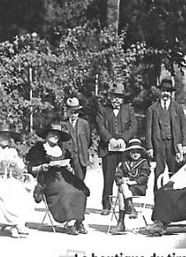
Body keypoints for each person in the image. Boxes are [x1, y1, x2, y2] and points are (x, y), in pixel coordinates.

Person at [25, 124, 90, 235]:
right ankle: (69, 223)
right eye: (52, 133)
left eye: (57, 135)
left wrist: (68, 167)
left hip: (65, 176)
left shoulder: (63, 150)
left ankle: (78, 221)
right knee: (66, 190)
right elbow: (30, 168)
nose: (55, 136)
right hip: (48, 178)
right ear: (46, 135)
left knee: (80, 190)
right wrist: (41, 167)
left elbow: (70, 166)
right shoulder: (38, 149)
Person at [94, 84, 140, 213]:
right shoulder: (103, 110)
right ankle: (106, 205)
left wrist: (123, 139)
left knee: (127, 177)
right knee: (108, 177)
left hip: (125, 150)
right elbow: (100, 127)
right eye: (114, 97)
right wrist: (110, 139)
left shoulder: (129, 110)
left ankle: (128, 204)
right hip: (108, 149)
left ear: (123, 99)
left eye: (119, 97)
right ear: (110, 97)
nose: (116, 100)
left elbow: (133, 127)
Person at [146, 78, 186, 197]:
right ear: (160, 92)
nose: (165, 94)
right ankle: (158, 198)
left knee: (174, 172)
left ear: (171, 93)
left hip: (173, 144)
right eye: (163, 91)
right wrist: (149, 147)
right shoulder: (152, 109)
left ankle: (174, 198)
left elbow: (184, 127)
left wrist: (185, 144)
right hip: (158, 144)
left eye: (168, 91)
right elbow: (148, 130)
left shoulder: (177, 108)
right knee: (158, 172)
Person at [112, 138, 152, 234]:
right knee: (122, 187)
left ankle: (121, 222)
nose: (135, 154)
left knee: (122, 190)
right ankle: (130, 208)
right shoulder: (124, 163)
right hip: (127, 188)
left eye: (137, 152)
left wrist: (132, 182)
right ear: (129, 153)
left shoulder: (144, 163)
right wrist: (122, 180)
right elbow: (117, 175)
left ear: (141, 153)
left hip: (138, 187)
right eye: (133, 152)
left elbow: (144, 178)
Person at [62, 96, 94, 204]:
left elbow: (88, 141)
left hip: (81, 159)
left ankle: (79, 210)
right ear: (67, 111)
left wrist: (83, 152)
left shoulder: (84, 124)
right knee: (67, 184)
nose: (73, 114)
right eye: (71, 112)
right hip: (67, 159)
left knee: (80, 184)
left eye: (76, 112)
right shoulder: (63, 124)